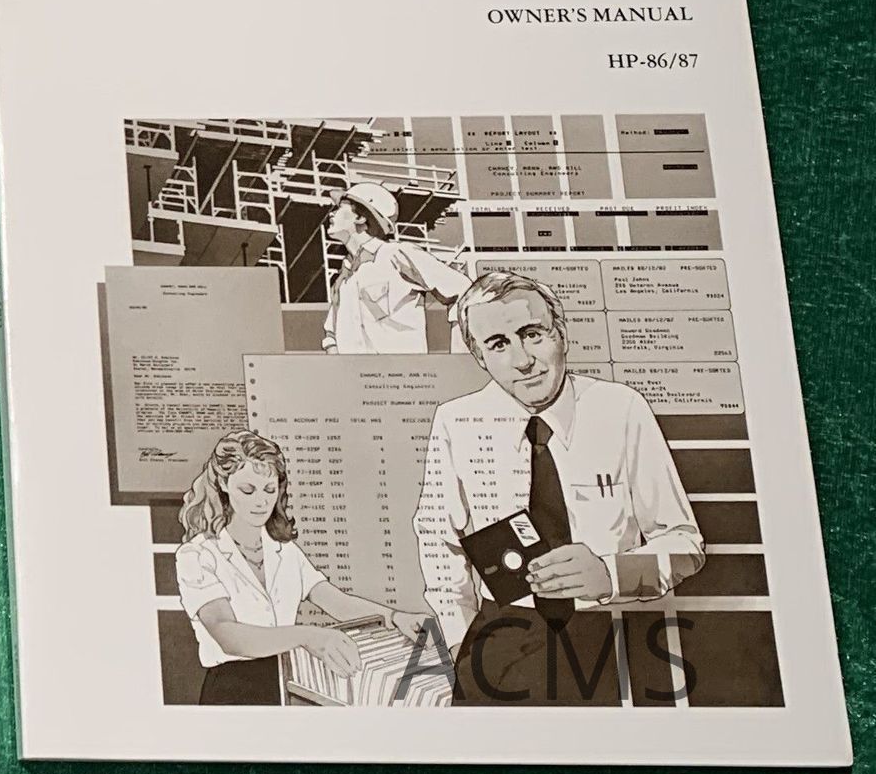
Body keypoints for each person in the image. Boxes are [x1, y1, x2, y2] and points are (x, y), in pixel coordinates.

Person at [415, 269, 703, 705]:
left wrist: (609, 574)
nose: (522, 360)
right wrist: (459, 641)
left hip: (613, 629)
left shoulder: (621, 408)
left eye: (532, 334)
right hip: (501, 635)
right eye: (498, 344)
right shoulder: (455, 422)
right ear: (480, 358)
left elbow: (686, 544)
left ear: (561, 333)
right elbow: (438, 540)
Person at [175, 429, 425, 704]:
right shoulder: (198, 554)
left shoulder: (285, 551)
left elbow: (336, 601)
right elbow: (227, 634)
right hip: (231, 691)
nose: (261, 501)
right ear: (223, 484)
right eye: (248, 490)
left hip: (288, 683)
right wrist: (307, 636)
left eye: (270, 490)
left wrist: (393, 616)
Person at [322, 182, 470, 353]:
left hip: (403, 369)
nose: (332, 213)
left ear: (361, 217)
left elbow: (463, 291)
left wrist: (460, 355)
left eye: (340, 208)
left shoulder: (396, 254)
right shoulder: (343, 278)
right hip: (354, 370)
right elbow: (331, 335)